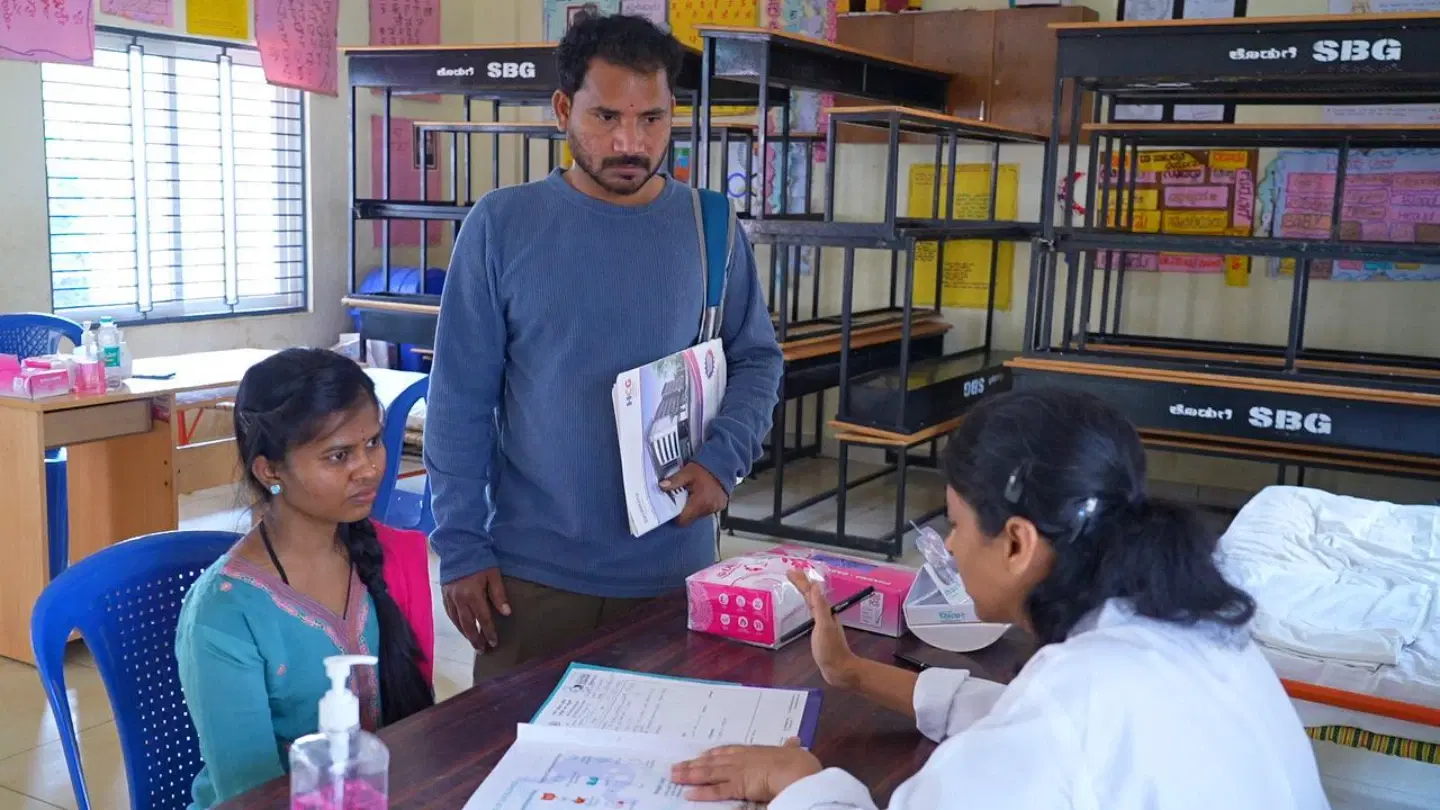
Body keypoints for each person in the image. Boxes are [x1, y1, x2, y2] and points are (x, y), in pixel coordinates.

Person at [670, 388, 1331, 810]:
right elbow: (1026, 720)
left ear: (1017, 543)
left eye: (956, 523)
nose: (950, 549)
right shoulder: (1193, 633)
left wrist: (799, 783)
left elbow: (1049, 725)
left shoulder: (1079, 695)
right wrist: (852, 675)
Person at [424, 11, 783, 680]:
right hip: (531, 577)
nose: (630, 141)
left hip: (670, 566)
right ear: (564, 108)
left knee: (667, 768)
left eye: (651, 119)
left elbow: (756, 357)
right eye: (606, 116)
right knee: (511, 767)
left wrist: (723, 461)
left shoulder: (710, 226)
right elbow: (459, 402)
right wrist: (462, 547)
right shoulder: (503, 225)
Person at [175, 348, 436, 810]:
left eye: (373, 443)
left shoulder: (388, 557)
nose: (369, 468)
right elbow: (249, 796)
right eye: (339, 456)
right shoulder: (224, 615)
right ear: (270, 470)